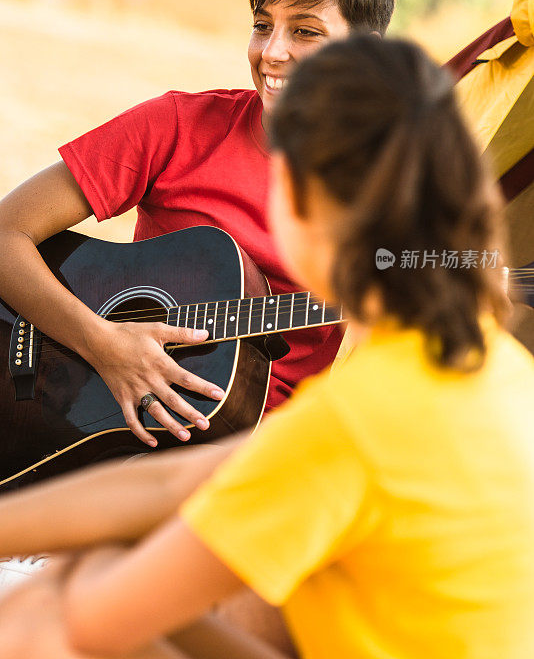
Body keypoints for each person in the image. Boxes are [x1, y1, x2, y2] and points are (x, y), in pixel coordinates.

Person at [1, 34, 534, 659]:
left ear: (304, 205)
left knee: (47, 613)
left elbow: (91, 621)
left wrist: (86, 566)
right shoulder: (494, 369)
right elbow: (173, 484)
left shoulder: (354, 424)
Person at [0, 0, 396, 449]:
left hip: (250, 453)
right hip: (91, 414)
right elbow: (8, 234)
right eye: (262, 24)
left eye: (305, 31)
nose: (272, 53)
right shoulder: (178, 126)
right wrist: (103, 344)